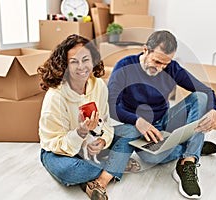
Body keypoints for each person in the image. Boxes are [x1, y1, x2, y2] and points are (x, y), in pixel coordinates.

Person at [107, 30, 216, 199]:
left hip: (165, 121)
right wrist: (137, 121)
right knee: (150, 157)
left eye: (165, 64)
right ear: (146, 50)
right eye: (157, 61)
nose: (160, 68)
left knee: (201, 98)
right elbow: (111, 105)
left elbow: (206, 91)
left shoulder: (173, 68)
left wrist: (214, 110)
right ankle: (191, 145)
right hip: (138, 128)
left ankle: (188, 161)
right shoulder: (124, 67)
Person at [37, 34, 139, 200]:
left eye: (86, 60)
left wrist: (102, 141)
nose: (81, 67)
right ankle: (115, 164)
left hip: (92, 145)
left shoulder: (98, 85)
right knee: (71, 171)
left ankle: (101, 180)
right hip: (59, 151)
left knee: (131, 131)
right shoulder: (55, 96)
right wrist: (80, 133)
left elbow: (105, 124)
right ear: (64, 65)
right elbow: (52, 142)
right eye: (74, 61)